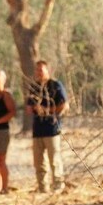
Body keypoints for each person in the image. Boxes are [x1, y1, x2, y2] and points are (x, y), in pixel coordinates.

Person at [25, 60, 69, 193]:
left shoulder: (55, 85)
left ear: (47, 71)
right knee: (39, 162)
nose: (38, 72)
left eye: (41, 70)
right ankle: (42, 187)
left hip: (52, 129)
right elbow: (28, 108)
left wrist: (48, 110)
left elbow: (64, 105)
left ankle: (58, 186)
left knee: (54, 160)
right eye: (37, 70)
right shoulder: (34, 87)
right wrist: (35, 109)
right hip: (37, 129)